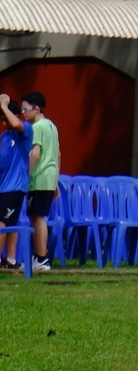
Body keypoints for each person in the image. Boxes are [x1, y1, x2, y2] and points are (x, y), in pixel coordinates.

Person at [20, 91, 58, 273]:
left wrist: (25, 175)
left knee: (37, 217)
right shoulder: (51, 126)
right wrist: (55, 181)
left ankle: (41, 258)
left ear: (37, 109)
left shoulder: (37, 127)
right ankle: (39, 257)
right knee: (37, 216)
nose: (23, 113)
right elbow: (58, 154)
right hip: (49, 178)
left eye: (25, 109)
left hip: (39, 178)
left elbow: (35, 154)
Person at [0, 92, 28, 273]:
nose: (3, 122)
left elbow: (17, 124)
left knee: (2, 222)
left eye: (4, 118)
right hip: (3, 187)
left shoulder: (24, 131)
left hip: (15, 187)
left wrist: (4, 105)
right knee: (9, 223)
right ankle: (10, 260)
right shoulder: (4, 136)